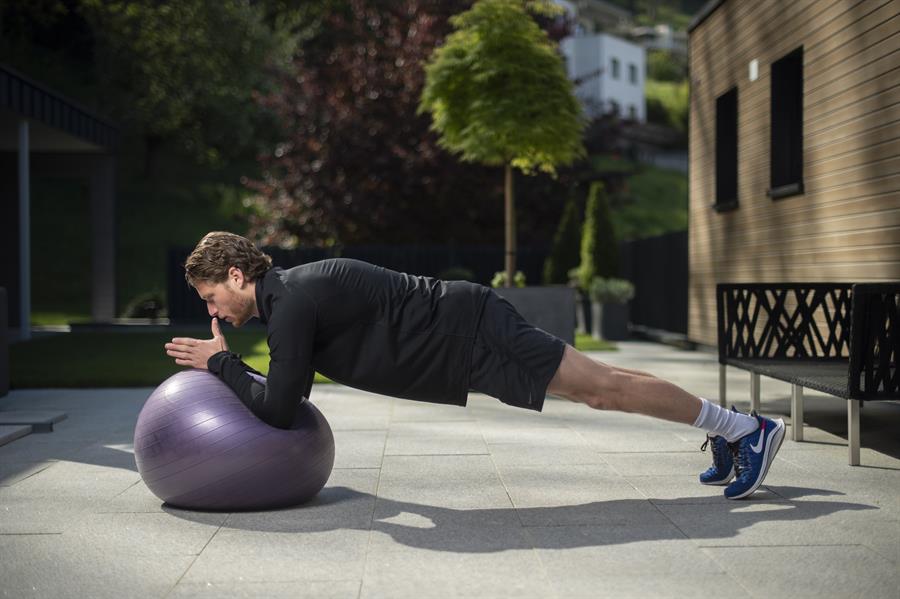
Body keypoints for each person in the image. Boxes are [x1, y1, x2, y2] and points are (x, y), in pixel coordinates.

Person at [165, 231, 784, 500]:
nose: (212, 309)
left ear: (236, 275)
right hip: (464, 336)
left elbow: (279, 409)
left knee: (601, 390)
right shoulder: (287, 300)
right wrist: (229, 364)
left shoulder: (291, 302)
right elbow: (287, 391)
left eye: (210, 296)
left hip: (470, 333)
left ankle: (745, 429)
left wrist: (221, 364)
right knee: (602, 385)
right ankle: (729, 426)